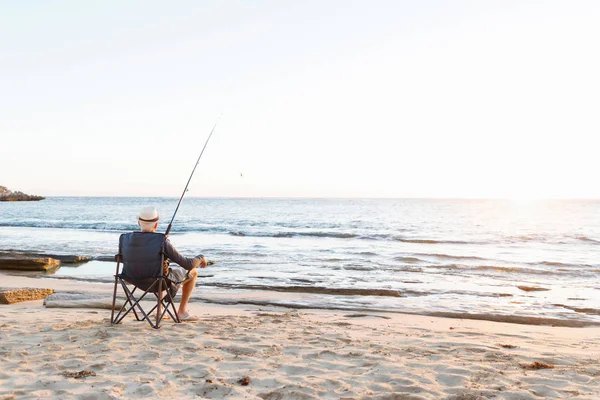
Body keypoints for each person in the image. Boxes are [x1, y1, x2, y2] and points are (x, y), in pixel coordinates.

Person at [120, 206, 207, 321]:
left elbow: (123, 259)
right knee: (193, 272)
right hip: (157, 282)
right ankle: (182, 312)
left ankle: (160, 310)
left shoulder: (125, 239)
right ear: (156, 225)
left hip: (132, 279)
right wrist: (200, 258)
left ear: (138, 223)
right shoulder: (161, 241)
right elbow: (188, 264)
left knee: (160, 271)